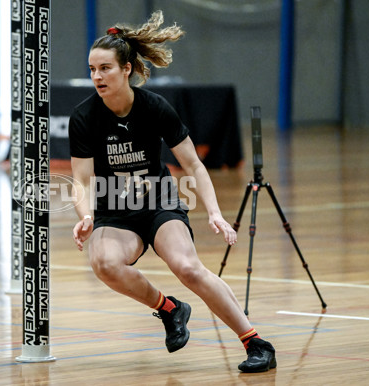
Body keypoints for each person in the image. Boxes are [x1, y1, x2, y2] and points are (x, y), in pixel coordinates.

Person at [68, 10, 276, 373]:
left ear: (127, 69)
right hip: (115, 210)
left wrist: (213, 212)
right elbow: (82, 180)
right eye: (92, 69)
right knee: (104, 264)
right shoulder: (85, 117)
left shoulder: (155, 107)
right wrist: (85, 216)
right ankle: (170, 309)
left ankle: (255, 341)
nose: (97, 77)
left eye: (105, 69)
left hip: (159, 201)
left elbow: (194, 164)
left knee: (188, 267)